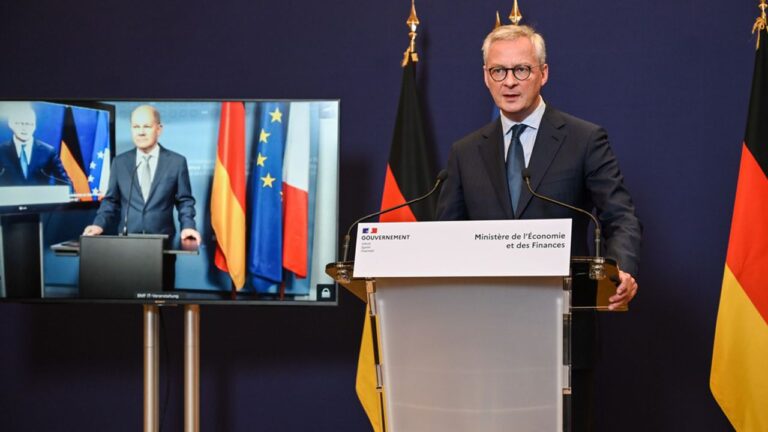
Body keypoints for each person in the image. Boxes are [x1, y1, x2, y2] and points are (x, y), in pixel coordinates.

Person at [435, 25, 642, 431]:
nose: (509, 82)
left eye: (521, 70)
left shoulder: (584, 139)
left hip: (563, 332)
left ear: (543, 73)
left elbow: (620, 216)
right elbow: (448, 236)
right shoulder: (465, 151)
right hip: (486, 337)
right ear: (486, 77)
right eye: (498, 71)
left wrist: (621, 268)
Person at [83, 105, 201, 244]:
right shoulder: (119, 162)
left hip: (163, 242)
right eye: (136, 127)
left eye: (147, 126)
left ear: (159, 129)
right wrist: (98, 224)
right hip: (127, 241)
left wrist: (188, 226)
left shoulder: (176, 162)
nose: (141, 132)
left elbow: (184, 201)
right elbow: (111, 201)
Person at [0, 106, 70, 186]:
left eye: (29, 124)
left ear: (34, 126)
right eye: (20, 123)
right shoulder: (1, 151)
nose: (25, 128)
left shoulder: (48, 152)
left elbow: (66, 183)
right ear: (11, 124)